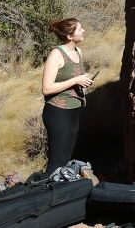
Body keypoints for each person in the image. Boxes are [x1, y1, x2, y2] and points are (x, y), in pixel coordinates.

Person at [41, 18, 94, 175]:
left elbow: (71, 79)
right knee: (57, 162)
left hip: (73, 110)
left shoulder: (78, 52)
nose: (83, 31)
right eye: (79, 29)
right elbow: (46, 88)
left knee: (66, 158)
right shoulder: (56, 54)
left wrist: (83, 80)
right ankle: (46, 192)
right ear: (70, 36)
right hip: (57, 111)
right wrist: (76, 80)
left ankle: (62, 191)